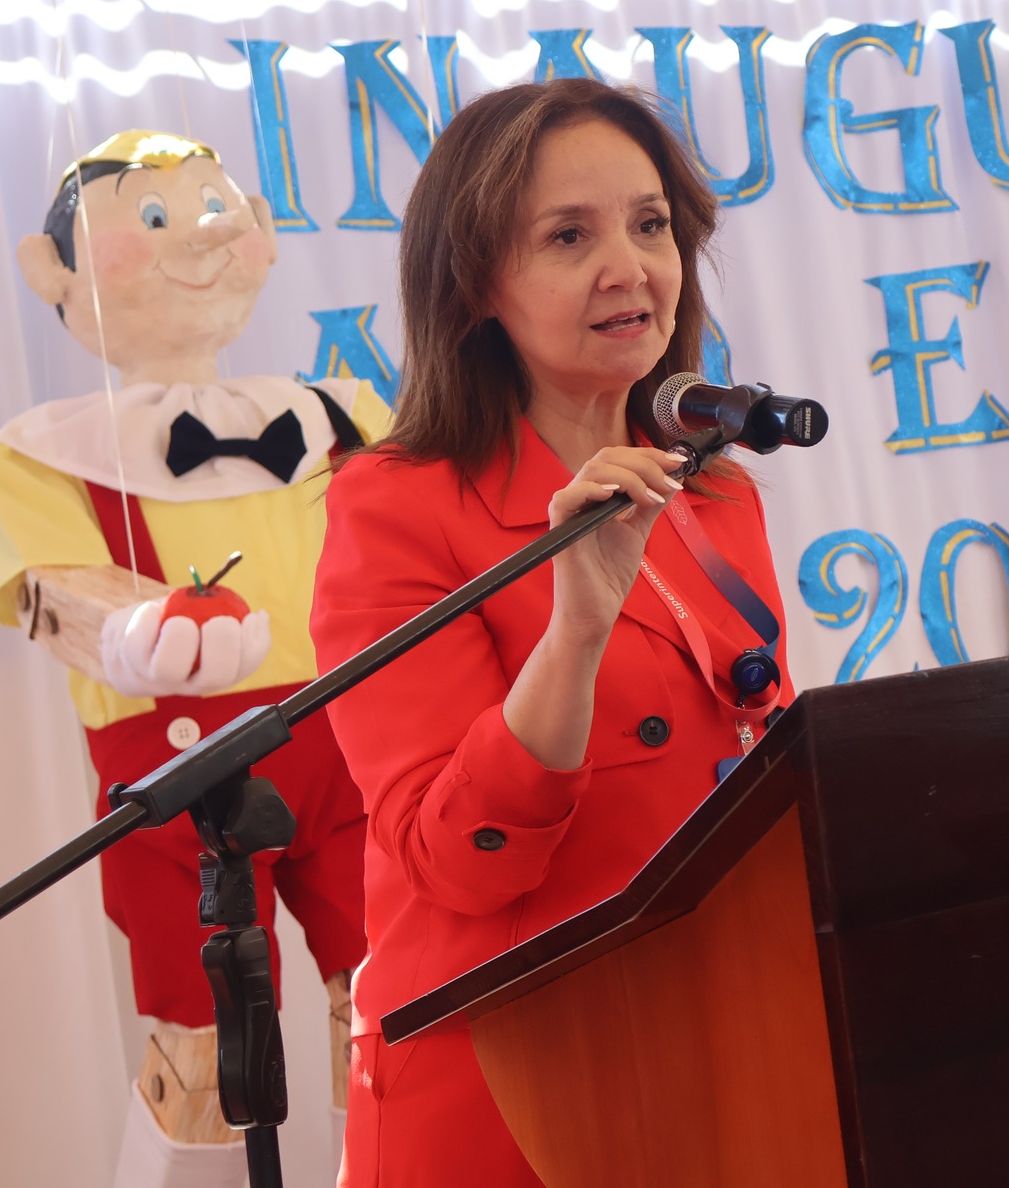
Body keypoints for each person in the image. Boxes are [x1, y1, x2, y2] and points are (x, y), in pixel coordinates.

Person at [311, 77, 794, 1186]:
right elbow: (455, 859)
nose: (630, 268)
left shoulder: (716, 492)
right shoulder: (396, 504)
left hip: (713, 1051)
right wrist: (575, 631)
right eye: (569, 236)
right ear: (476, 284)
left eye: (650, 225)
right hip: (507, 1090)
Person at [0, 130, 383, 1186]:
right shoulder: (31, 453)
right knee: (201, 1051)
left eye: (211, 208)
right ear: (51, 271)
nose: (197, 236)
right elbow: (52, 590)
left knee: (393, 1010)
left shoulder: (346, 414)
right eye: (151, 218)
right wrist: (134, 631)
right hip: (179, 778)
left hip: (359, 752)